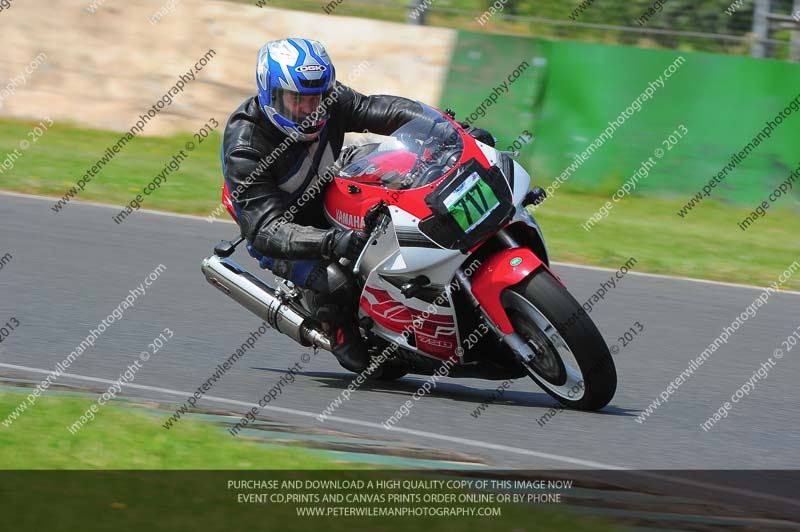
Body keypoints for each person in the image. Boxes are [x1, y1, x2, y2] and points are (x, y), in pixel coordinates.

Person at [220, 37, 424, 372]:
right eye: (296, 99)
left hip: (325, 187)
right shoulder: (246, 145)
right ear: (270, 93)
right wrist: (331, 241)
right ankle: (336, 327)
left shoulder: (326, 100)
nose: (309, 108)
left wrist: (446, 129)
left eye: (315, 98)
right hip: (278, 228)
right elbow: (266, 230)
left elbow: (378, 109)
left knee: (395, 177)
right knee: (339, 282)